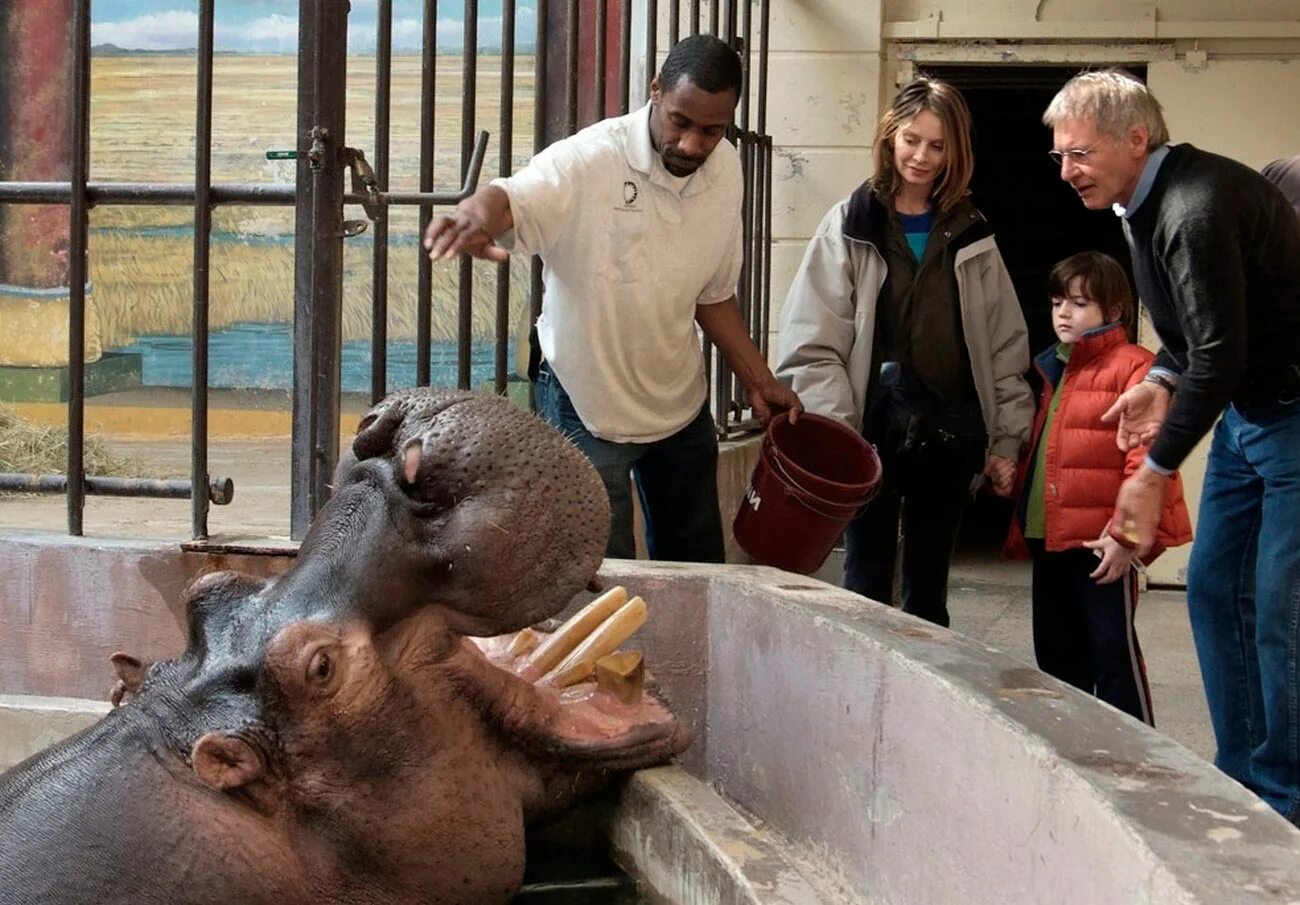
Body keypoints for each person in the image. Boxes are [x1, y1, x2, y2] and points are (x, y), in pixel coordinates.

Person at [423, 35, 800, 564]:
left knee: (698, 569)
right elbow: (514, 195)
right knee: (602, 578)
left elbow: (713, 296)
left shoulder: (726, 169)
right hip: (586, 404)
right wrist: (476, 214)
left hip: (678, 403)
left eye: (712, 130)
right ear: (655, 91)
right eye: (680, 121)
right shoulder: (589, 160)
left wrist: (760, 382)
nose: (692, 144)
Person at [1043, 69, 1300, 821]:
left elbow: (1219, 351)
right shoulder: (1139, 200)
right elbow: (1195, 335)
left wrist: (1154, 469)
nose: (1067, 170)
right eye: (1060, 155)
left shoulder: (1191, 204)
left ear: (1135, 138)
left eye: (1080, 153)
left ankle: (1283, 797)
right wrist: (1159, 377)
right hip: (1250, 416)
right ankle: (1244, 777)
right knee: (1217, 591)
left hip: (1290, 415)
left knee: (1280, 609)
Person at [776, 77, 1033, 627]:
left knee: (928, 598)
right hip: (867, 437)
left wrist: (1006, 438)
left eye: (937, 146)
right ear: (890, 138)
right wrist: (840, 440)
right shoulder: (850, 223)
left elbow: (1005, 345)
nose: (922, 156)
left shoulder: (973, 234)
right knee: (865, 586)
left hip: (948, 436)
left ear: (955, 152)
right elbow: (812, 342)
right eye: (912, 139)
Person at [1002, 251, 1192, 724]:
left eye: (1080, 303)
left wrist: (1126, 535)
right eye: (1057, 302)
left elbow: (1144, 460)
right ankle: (1074, 744)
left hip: (1101, 544)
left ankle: (1138, 752)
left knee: (1112, 652)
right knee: (1055, 650)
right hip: (1051, 536)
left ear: (1114, 312)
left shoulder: (1135, 367)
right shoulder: (1054, 367)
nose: (1063, 313)